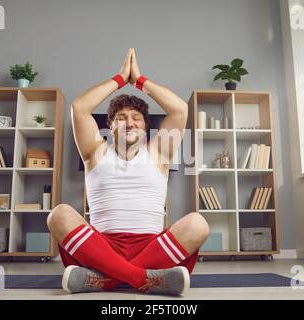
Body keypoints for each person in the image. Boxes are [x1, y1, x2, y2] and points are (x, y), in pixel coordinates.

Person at [47, 48, 210, 296]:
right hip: (101, 247)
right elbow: (79, 108)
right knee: (58, 215)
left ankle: (104, 280)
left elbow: (179, 110)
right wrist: (120, 79)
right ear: (110, 125)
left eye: (136, 118)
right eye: (121, 118)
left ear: (146, 127)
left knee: (198, 224)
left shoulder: (158, 154)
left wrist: (140, 80)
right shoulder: (95, 152)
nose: (130, 123)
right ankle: (142, 278)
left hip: (152, 247)